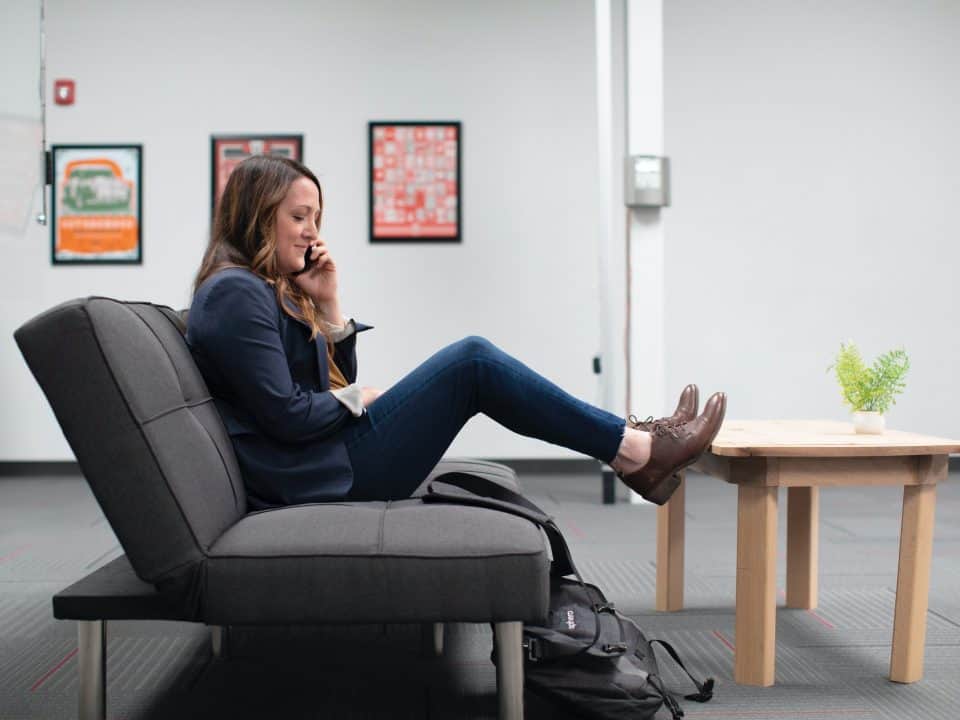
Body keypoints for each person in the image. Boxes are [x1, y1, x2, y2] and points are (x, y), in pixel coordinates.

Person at [186, 155, 726, 510]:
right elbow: (286, 414)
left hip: (325, 462)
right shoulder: (235, 293)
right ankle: (637, 450)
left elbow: (318, 389)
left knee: (473, 362)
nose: (312, 233)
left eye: (317, 218)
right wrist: (360, 398)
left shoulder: (255, 287)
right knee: (473, 362)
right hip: (318, 476)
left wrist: (328, 305)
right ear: (258, 216)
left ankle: (636, 450)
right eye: (300, 217)